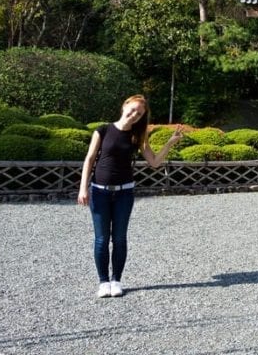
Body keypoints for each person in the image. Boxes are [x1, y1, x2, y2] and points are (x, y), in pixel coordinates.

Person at [77, 94, 182, 298]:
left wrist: (170, 143)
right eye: (132, 109)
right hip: (99, 191)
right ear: (125, 106)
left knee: (119, 238)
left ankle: (116, 280)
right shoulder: (103, 130)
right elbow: (89, 159)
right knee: (101, 238)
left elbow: (154, 162)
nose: (134, 114)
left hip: (124, 192)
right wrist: (83, 188)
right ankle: (103, 282)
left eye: (139, 113)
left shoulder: (137, 136)